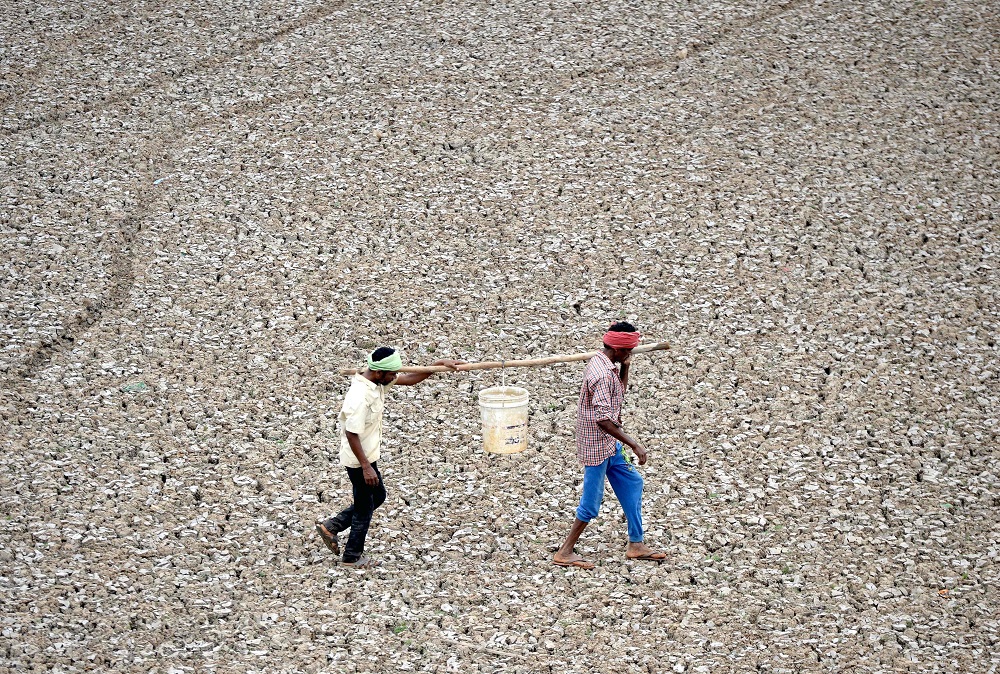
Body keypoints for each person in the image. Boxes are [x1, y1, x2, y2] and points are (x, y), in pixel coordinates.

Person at [317, 347, 461, 568]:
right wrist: (366, 467)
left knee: (378, 496)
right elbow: (351, 432)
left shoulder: (376, 382)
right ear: (378, 372)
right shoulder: (360, 396)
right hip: (358, 460)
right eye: (392, 374)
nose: (395, 377)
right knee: (365, 507)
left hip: (367, 456)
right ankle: (351, 556)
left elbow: (411, 379)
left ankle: (332, 526)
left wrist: (438, 364)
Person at [553, 322, 666, 569]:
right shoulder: (602, 375)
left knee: (633, 482)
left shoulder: (602, 362)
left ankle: (636, 544)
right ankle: (565, 551)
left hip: (610, 444)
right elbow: (603, 419)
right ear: (616, 349)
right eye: (628, 351)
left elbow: (618, 395)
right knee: (591, 504)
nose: (630, 354)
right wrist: (635, 445)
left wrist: (625, 369)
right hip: (596, 447)